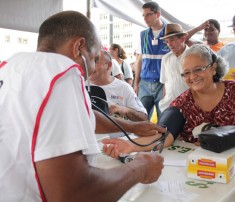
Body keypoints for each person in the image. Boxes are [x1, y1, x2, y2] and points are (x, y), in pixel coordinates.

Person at [0, 11, 165, 201]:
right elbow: (75, 194)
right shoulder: (61, 73)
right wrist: (140, 168)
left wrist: (133, 126)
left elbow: (83, 116)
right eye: (94, 58)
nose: (93, 68)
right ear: (78, 47)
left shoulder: (11, 67)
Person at [102, 44, 235, 157]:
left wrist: (222, 135)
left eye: (198, 69)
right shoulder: (183, 103)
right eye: (186, 73)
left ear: (213, 68)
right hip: (201, 170)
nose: (192, 77)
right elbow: (163, 136)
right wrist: (130, 145)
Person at [134, 1, 170, 120]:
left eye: (148, 14)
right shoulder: (143, 35)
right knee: (140, 120)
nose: (145, 18)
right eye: (143, 15)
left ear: (158, 14)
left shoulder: (169, 33)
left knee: (163, 121)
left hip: (163, 84)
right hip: (144, 84)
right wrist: (136, 83)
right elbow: (139, 60)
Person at [90, 49, 147, 121]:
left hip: (121, 132)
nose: (90, 65)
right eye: (88, 61)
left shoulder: (124, 88)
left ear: (109, 65)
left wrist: (125, 110)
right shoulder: (79, 86)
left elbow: (143, 118)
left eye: (95, 61)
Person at [159, 23, 189, 113]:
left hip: (190, 106)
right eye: (167, 41)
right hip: (169, 106)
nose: (169, 44)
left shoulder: (193, 56)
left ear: (182, 39)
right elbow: (165, 83)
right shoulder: (165, 59)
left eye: (172, 40)